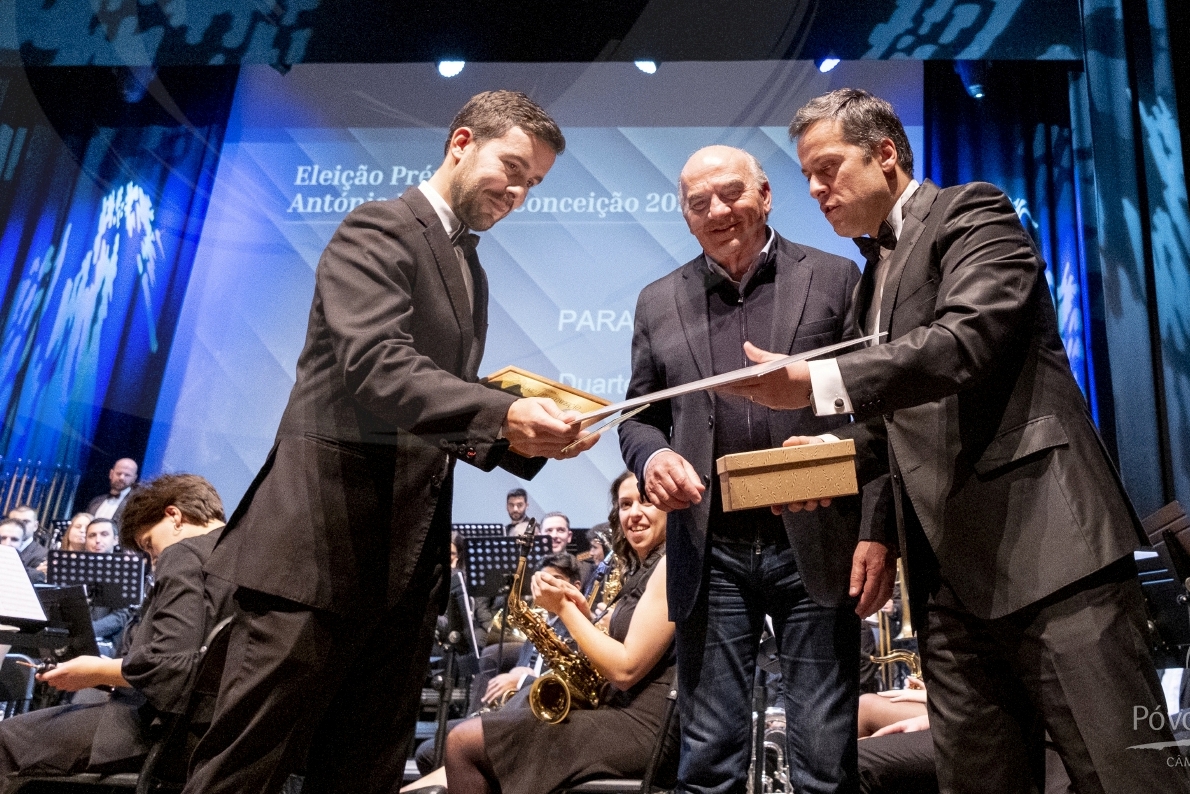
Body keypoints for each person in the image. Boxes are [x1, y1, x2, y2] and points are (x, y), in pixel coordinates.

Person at [726, 88, 1189, 792]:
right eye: (806, 177)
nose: (815, 189)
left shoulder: (973, 211)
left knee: (1126, 774)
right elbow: (894, 427)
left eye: (827, 168)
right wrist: (824, 467)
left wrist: (819, 380)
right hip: (947, 584)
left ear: (885, 153)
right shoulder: (868, 279)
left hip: (1051, 554)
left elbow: (964, 344)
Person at [186, 90, 595, 794]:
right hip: (315, 555)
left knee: (365, 772)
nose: (520, 194)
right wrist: (503, 416)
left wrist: (526, 443)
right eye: (514, 168)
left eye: (534, 184)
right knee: (244, 771)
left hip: (401, 571)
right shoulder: (377, 229)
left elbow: (431, 412)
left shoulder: (471, 270)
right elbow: (378, 367)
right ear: (462, 142)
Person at [617, 144, 893, 794]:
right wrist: (654, 456)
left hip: (817, 547)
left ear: (765, 195)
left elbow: (880, 407)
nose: (717, 209)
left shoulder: (834, 277)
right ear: (685, 216)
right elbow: (637, 417)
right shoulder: (658, 301)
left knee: (826, 763)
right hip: (707, 553)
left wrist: (876, 526)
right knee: (708, 761)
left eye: (731, 193)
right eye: (697, 202)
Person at [406, 470, 674, 794]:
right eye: (625, 504)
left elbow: (625, 668)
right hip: (619, 708)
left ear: (667, 504)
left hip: (645, 724)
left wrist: (565, 609)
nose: (634, 513)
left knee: (463, 742)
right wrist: (585, 615)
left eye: (644, 502)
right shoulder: (642, 570)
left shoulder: (670, 564)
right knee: (469, 741)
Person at [0, 474, 233, 785]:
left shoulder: (184, 554)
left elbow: (169, 664)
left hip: (151, 730)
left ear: (174, 516)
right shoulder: (238, 556)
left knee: (5, 740)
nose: (154, 559)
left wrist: (97, 671)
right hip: (210, 736)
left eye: (150, 546)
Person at [86, 458, 139, 525]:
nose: (121, 478)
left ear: (134, 478)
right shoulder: (95, 502)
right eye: (119, 473)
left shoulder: (136, 505)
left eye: (127, 475)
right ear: (111, 474)